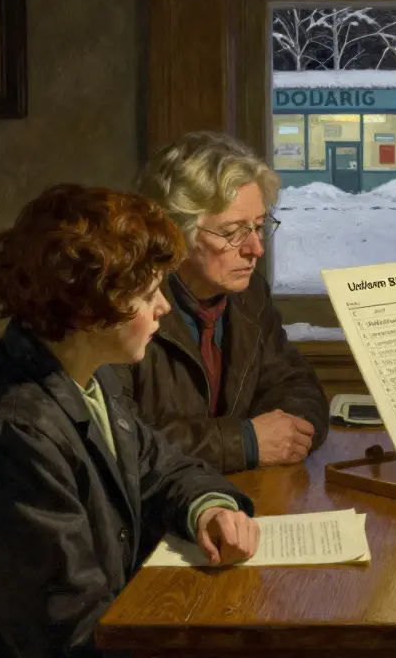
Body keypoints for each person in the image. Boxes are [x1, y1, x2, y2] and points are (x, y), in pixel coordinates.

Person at [0, 184, 261, 657]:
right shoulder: (12, 431)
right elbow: (63, 631)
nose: (163, 307)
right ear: (91, 308)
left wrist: (208, 509)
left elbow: (162, 468)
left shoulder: (86, 380)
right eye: (147, 294)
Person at [117, 131, 329, 474]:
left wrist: (288, 432)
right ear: (175, 231)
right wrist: (244, 441)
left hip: (234, 497)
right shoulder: (121, 305)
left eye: (259, 226)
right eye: (232, 232)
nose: (255, 249)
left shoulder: (248, 294)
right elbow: (117, 442)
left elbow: (296, 385)